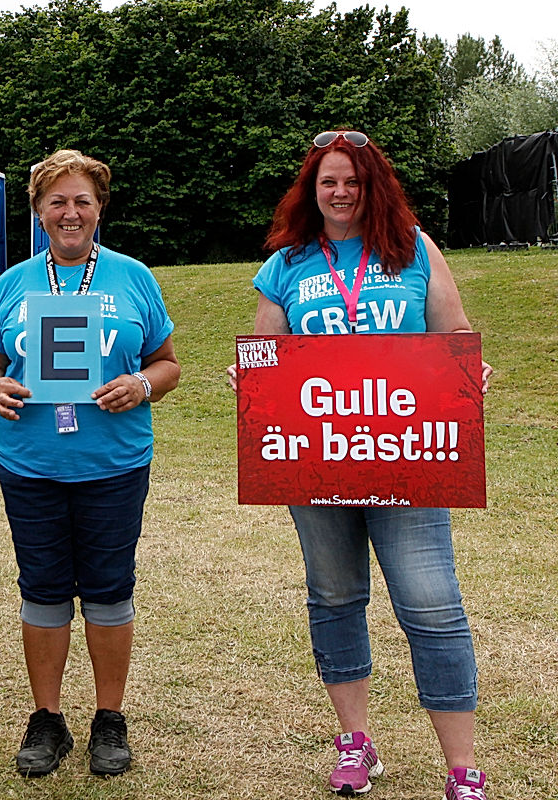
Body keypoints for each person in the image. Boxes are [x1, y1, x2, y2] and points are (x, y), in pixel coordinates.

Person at [229, 130, 494, 799]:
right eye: (329, 181)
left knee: (432, 604)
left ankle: (462, 768)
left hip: (407, 458)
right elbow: (267, 352)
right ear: (312, 190)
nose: (341, 192)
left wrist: (470, 370)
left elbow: (454, 333)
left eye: (353, 180)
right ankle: (355, 742)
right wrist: (251, 380)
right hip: (317, 461)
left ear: (373, 186)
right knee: (335, 596)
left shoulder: (413, 247)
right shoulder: (287, 263)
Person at [0, 149, 180, 777]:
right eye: (56, 201)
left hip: (114, 464)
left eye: (81, 201)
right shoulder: (13, 283)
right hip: (30, 464)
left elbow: (167, 364)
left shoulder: (133, 276)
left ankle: (109, 717)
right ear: (38, 211)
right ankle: (47, 718)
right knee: (41, 590)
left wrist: (141, 385)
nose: (70, 212)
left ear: (99, 208)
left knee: (110, 590)